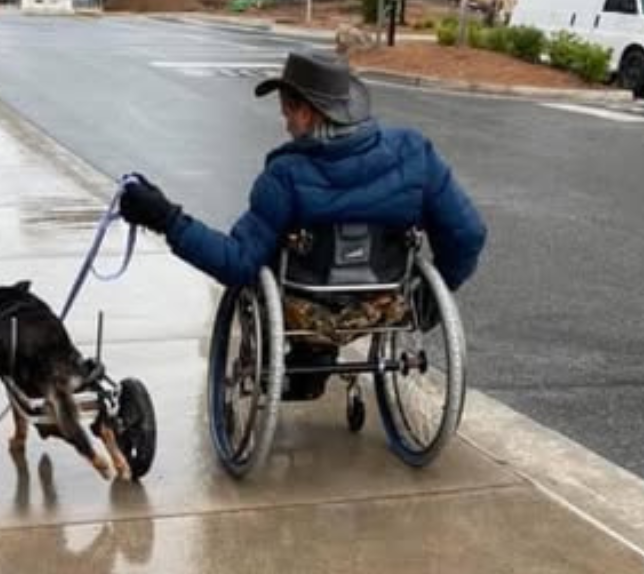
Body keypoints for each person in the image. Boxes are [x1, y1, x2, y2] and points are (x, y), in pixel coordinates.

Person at [118, 50, 487, 398]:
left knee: (271, 269)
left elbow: (238, 264)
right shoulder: (414, 152)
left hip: (308, 316)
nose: (286, 124)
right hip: (386, 304)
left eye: (287, 113)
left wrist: (166, 218)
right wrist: (425, 305)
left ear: (307, 114)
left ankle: (310, 364)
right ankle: (317, 361)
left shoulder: (285, 175)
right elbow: (468, 233)